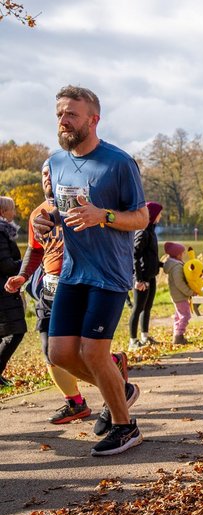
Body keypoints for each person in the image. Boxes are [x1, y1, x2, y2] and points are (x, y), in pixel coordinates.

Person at [34, 85, 149, 456]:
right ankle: (121, 388)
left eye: (71, 114)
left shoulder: (118, 162)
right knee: (60, 353)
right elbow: (56, 207)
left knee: (94, 353)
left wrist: (105, 215)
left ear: (93, 119)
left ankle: (125, 427)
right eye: (59, 115)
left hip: (109, 274)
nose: (63, 121)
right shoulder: (54, 162)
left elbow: (142, 217)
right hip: (72, 271)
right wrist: (45, 221)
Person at [5, 161, 93, 423]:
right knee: (49, 350)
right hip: (49, 288)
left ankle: (115, 379)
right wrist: (22, 275)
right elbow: (36, 249)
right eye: (43, 173)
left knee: (83, 350)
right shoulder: (37, 214)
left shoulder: (82, 204)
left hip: (80, 285)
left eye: (51, 172)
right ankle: (75, 403)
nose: (46, 177)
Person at [0, 196, 26, 387]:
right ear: (3, 212)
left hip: (5, 288)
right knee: (14, 332)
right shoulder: (1, 232)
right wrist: (26, 265)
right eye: (12, 209)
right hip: (4, 289)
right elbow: (5, 265)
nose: (15, 213)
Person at [129, 202, 163, 349]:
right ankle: (133, 341)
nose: (161, 216)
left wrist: (161, 265)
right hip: (142, 278)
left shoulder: (151, 231)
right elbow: (134, 255)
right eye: (159, 213)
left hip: (151, 276)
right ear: (153, 215)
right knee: (137, 308)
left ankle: (145, 336)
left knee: (147, 307)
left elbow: (149, 256)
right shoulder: (142, 232)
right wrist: (139, 279)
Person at [161, 242, 195, 345]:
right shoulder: (176, 267)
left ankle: (177, 334)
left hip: (176, 295)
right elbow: (180, 283)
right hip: (180, 295)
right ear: (178, 254)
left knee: (178, 315)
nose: (183, 254)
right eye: (182, 253)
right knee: (185, 315)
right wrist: (190, 292)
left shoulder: (173, 265)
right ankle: (178, 336)